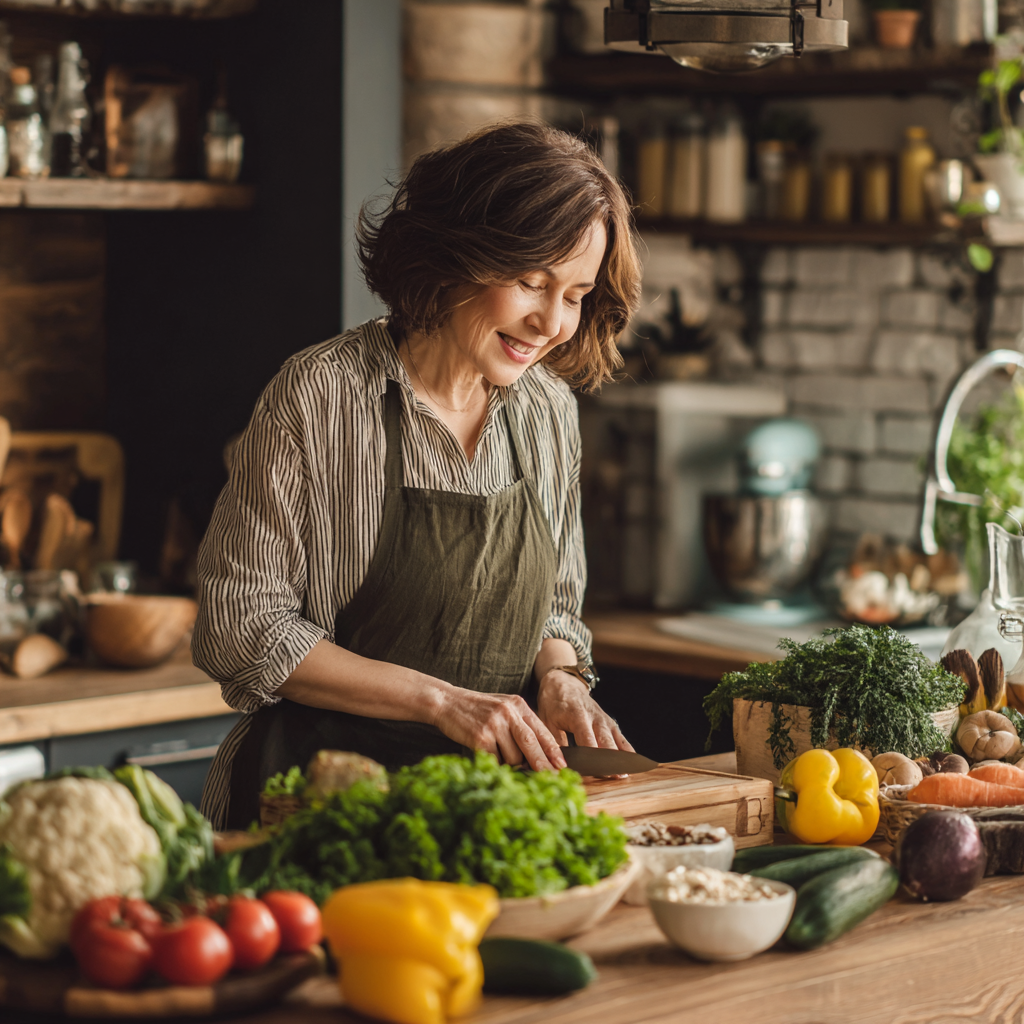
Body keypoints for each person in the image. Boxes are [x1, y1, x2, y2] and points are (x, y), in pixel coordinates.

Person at [194, 121, 643, 830]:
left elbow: (553, 606)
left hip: (482, 814)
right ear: (451, 255)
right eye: (531, 282)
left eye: (576, 293)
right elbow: (240, 627)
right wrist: (441, 702)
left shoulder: (548, 410)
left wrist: (559, 675)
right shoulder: (321, 396)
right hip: (313, 809)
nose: (552, 321)